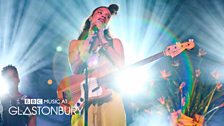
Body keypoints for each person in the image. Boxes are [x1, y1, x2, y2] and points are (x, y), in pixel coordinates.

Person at [69, 4, 126, 126]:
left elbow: (122, 66)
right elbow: (76, 69)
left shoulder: (114, 43)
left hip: (109, 97)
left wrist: (103, 40)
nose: (104, 16)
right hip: (84, 98)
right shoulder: (75, 43)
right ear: (90, 18)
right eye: (100, 13)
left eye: (107, 16)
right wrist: (89, 40)